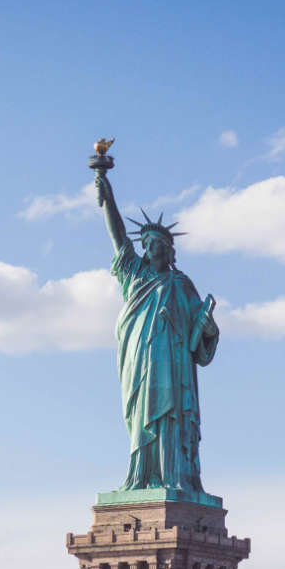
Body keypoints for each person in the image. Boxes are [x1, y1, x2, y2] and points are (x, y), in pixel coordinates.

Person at [95, 172, 218, 492]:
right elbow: (118, 235)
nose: (149, 249)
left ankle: (174, 476)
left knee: (172, 415)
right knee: (141, 416)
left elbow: (199, 336)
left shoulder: (181, 285)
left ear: (167, 250)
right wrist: (107, 194)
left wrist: (207, 328)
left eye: (156, 245)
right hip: (139, 357)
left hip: (173, 363)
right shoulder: (133, 273)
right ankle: (141, 476)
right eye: (146, 245)